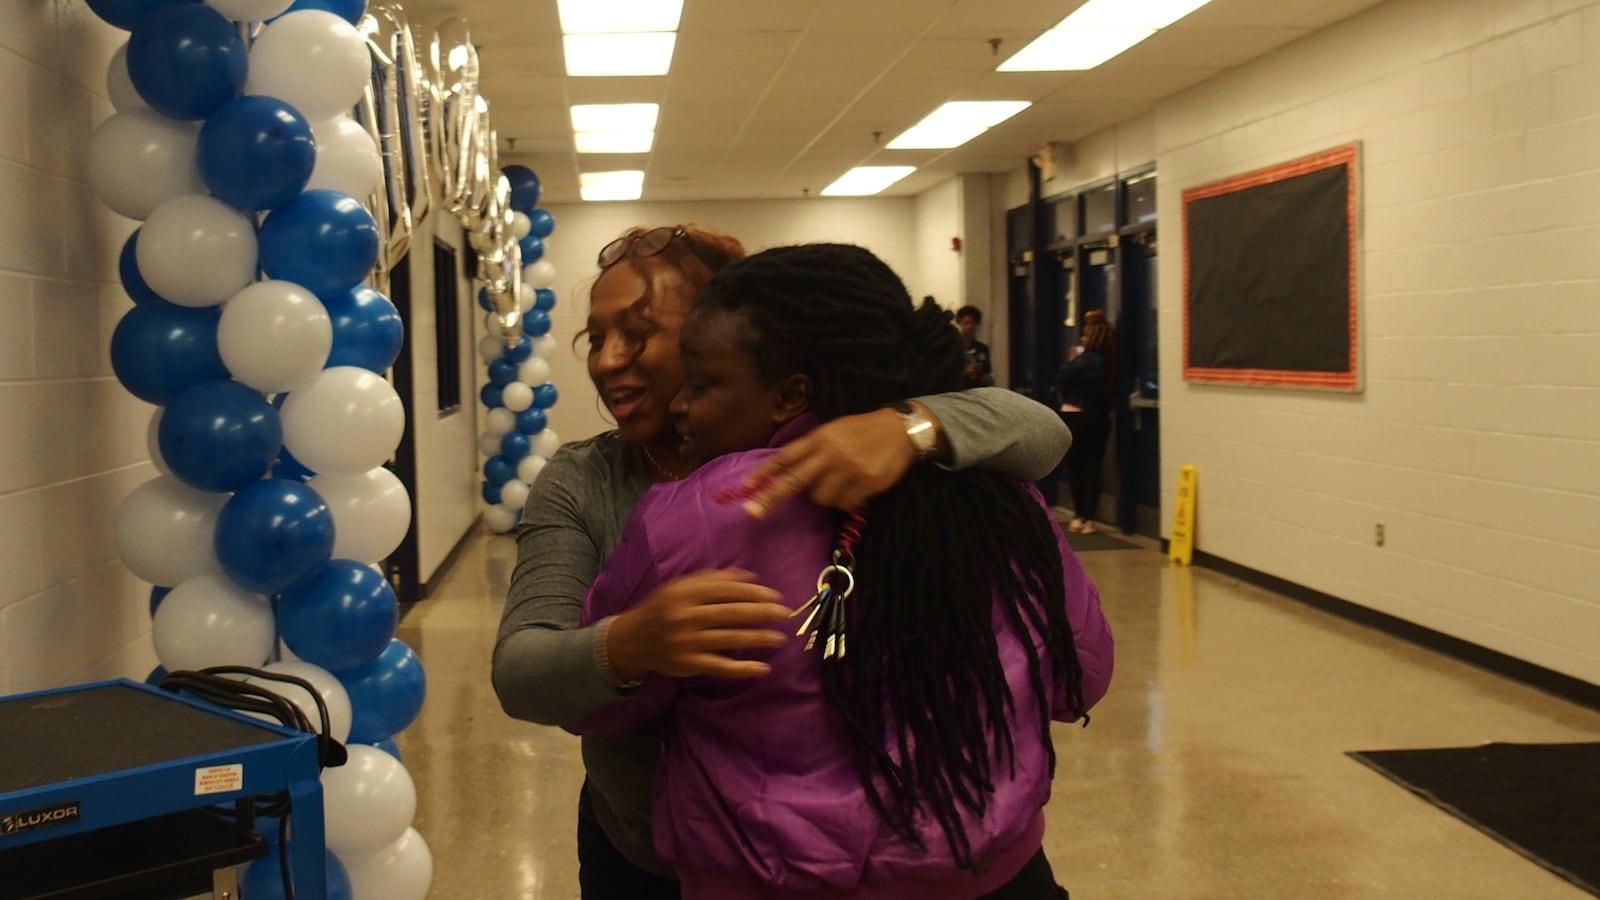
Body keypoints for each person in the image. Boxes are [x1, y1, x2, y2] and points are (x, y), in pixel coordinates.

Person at [492, 225, 1076, 899]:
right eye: (596, 338)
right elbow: (521, 671)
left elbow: (1039, 431)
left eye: (640, 333)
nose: (607, 361)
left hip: (905, 848)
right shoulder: (586, 480)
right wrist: (627, 644)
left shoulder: (861, 440)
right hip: (654, 858)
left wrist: (913, 428)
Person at [1054, 310, 1115, 534]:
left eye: (1085, 335)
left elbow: (1061, 380)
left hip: (1075, 416)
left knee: (1076, 468)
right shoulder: (1111, 362)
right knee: (1093, 467)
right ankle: (1089, 518)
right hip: (1099, 418)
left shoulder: (1083, 362)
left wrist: (1071, 360)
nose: (1082, 339)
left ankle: (1079, 515)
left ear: (1092, 336)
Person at [956, 304, 995, 388]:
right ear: (959, 323)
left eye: (973, 323)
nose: (969, 326)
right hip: (959, 391)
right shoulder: (953, 348)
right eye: (966, 323)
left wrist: (989, 378)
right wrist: (964, 372)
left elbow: (989, 372)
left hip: (979, 391)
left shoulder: (983, 349)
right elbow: (947, 375)